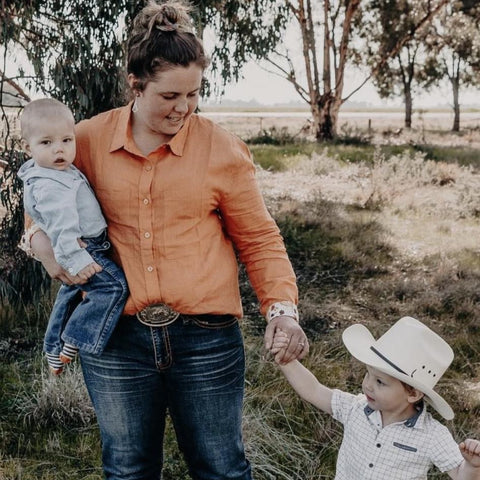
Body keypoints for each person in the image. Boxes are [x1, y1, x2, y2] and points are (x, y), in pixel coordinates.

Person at [21, 1, 309, 478]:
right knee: (128, 469)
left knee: (221, 469)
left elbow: (258, 238)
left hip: (207, 340)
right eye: (171, 95)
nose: (185, 108)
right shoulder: (86, 139)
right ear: (136, 85)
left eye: (194, 94)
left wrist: (282, 311)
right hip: (116, 338)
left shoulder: (221, 148)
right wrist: (42, 245)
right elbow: (41, 196)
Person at [270, 316, 480, 479]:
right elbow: (313, 390)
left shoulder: (432, 436)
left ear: (413, 393)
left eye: (380, 382)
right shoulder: (355, 407)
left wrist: (472, 466)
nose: (368, 384)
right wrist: (287, 362)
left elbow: (461, 475)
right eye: (368, 373)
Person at [18, 98, 128, 375]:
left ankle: (53, 347)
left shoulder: (53, 171)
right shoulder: (51, 185)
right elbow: (61, 227)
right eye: (46, 143)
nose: (59, 149)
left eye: (67, 140)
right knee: (112, 287)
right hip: (82, 247)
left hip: (84, 244)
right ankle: (75, 338)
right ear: (26, 147)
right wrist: (75, 259)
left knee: (69, 294)